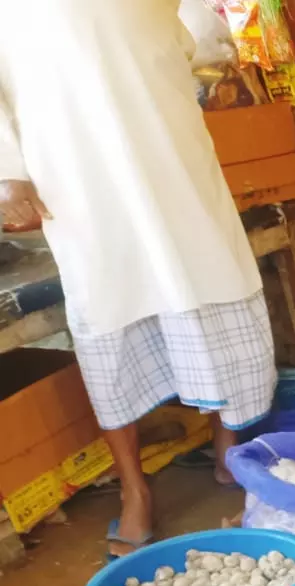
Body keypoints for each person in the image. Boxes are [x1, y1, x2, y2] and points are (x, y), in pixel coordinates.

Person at [0, 0, 276, 555]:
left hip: (171, 152)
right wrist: (9, 173)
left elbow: (196, 34)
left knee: (211, 284)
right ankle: (135, 490)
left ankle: (230, 448)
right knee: (106, 311)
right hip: (77, 174)